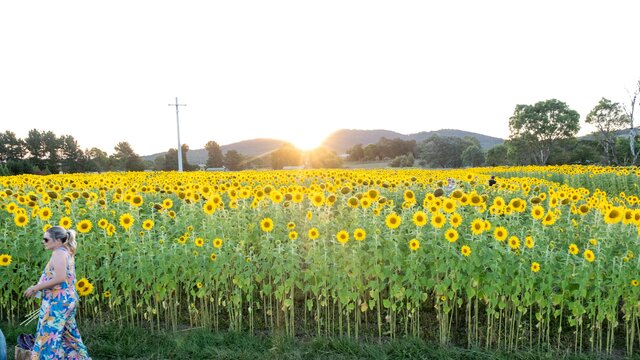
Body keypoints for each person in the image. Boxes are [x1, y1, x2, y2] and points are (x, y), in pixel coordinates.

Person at [23, 226, 90, 359]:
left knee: (47, 336)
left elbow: (60, 278)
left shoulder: (59, 253)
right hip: (67, 299)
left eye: (46, 239)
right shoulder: (66, 250)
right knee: (68, 335)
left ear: (58, 241)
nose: (43, 242)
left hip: (58, 301)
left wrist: (36, 287)